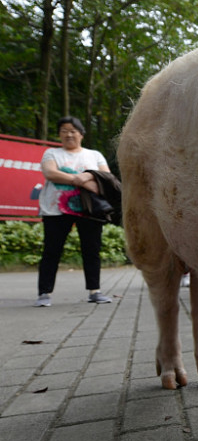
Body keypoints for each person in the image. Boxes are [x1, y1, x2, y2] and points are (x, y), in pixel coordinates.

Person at [34, 116, 114, 307]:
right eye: (64, 130)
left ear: (81, 134)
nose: (69, 134)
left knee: (92, 249)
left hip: (90, 209)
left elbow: (106, 176)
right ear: (59, 134)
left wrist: (82, 176)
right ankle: (44, 293)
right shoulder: (51, 153)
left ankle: (95, 291)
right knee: (52, 250)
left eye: (73, 130)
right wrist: (79, 179)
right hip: (55, 209)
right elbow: (50, 173)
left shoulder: (94, 155)